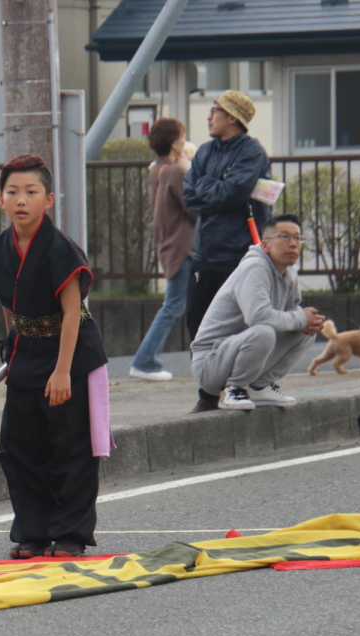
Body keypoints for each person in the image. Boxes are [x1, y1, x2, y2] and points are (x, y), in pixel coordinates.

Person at [0, 154, 110, 559]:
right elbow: (9, 304)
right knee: (18, 448)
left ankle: (71, 532)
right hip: (26, 352)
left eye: (31, 192)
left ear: (48, 200)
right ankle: (33, 532)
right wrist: (12, 346)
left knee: (70, 447)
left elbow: (73, 311)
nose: (22, 200)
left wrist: (62, 372)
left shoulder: (61, 250)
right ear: (1, 200)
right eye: (13, 192)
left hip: (72, 353)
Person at [183, 90, 270, 412]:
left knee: (238, 324)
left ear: (231, 117)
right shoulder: (204, 151)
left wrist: (207, 186)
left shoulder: (252, 152)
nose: (209, 116)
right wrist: (214, 187)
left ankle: (237, 386)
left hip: (240, 254)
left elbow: (233, 194)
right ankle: (207, 391)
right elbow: (188, 196)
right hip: (205, 253)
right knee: (198, 322)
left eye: (214, 110)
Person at [190, 214, 324, 411]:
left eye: (297, 238)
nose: (293, 244)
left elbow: (292, 311)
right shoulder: (255, 267)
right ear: (265, 244)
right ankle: (233, 389)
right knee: (265, 331)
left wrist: (306, 320)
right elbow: (257, 316)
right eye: (284, 237)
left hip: (244, 350)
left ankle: (259, 387)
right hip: (211, 362)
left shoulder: (289, 272)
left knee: (305, 332)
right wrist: (300, 317)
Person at [130, 119, 195, 382]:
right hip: (183, 246)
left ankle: (147, 360)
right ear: (173, 142)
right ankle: (144, 361)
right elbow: (194, 208)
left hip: (169, 245)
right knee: (174, 306)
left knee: (178, 305)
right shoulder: (174, 172)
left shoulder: (156, 169)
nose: (184, 141)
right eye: (181, 137)